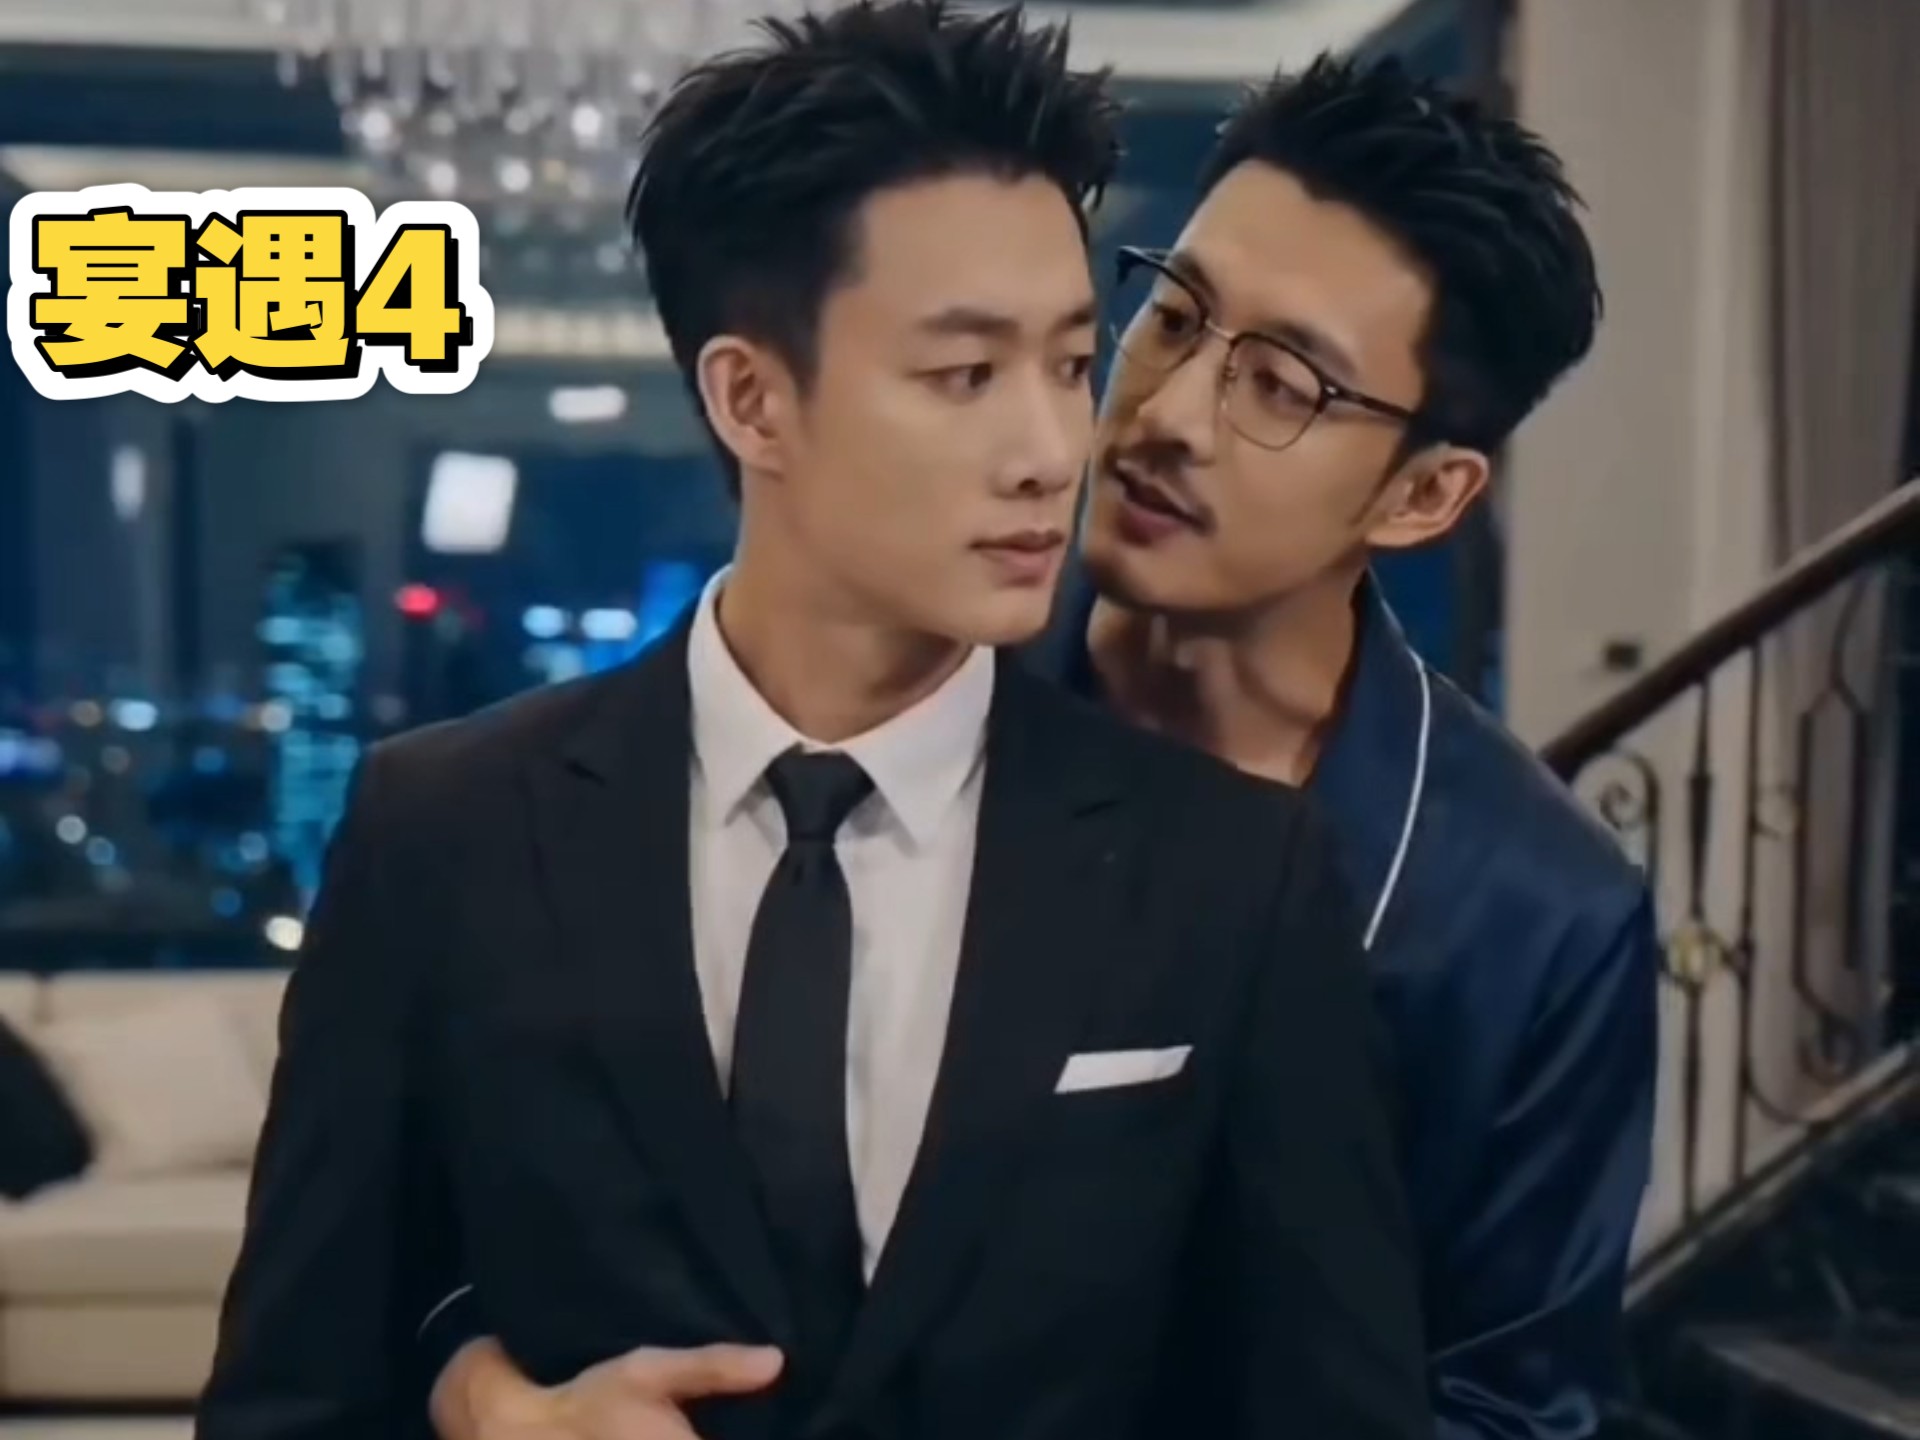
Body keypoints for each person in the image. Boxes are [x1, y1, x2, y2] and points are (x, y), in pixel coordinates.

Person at [194, 7, 1431, 1440]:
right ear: (752, 400)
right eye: (965, 375)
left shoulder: (1230, 873)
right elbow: (290, 1401)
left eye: (1068, 363)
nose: (1052, 451)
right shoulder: (446, 833)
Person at [421, 48, 1661, 1440]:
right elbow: (554, 1194)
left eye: (1282, 385)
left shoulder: (1529, 914)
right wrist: (482, 1389)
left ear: (1424, 496)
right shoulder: (902, 686)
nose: (1165, 417)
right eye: (1173, 317)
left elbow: (1513, 1403)